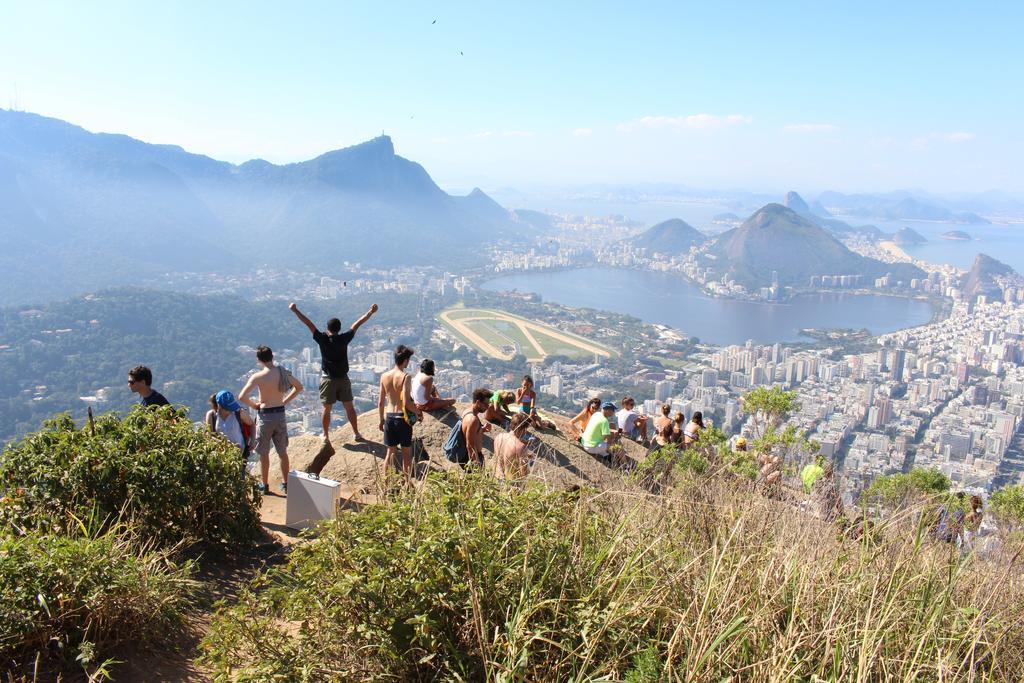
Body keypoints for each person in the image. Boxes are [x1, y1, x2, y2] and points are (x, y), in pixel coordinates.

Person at [289, 302, 378, 450]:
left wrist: (295, 310)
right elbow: (357, 324)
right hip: (343, 378)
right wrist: (370, 312)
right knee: (349, 408)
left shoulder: (322, 339)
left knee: (327, 409)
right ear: (339, 329)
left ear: (327, 328)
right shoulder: (344, 338)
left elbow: (308, 323)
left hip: (328, 379)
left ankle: (325, 436)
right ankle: (356, 433)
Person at [238, 346, 303, 494]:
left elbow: (242, 396)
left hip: (265, 415)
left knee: (264, 453)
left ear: (259, 360)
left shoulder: (258, 377)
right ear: (272, 357)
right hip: (280, 413)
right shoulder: (282, 372)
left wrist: (254, 405)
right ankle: (286, 484)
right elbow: (299, 387)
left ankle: (265, 485)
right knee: (282, 452)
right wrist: (285, 401)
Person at [377, 345, 422, 475]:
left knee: (390, 452)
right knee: (406, 454)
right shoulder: (405, 377)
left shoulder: (384, 376)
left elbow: (380, 402)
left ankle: (385, 482)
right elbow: (407, 403)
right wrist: (418, 413)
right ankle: (407, 483)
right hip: (402, 419)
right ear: (406, 360)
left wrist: (381, 420)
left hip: (389, 417)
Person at [209, 390, 254, 457]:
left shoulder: (239, 413)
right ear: (219, 406)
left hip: (241, 454)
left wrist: (252, 441)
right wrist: (225, 444)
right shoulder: (212, 415)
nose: (230, 410)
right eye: (227, 408)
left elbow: (252, 424)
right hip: (221, 456)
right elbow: (209, 435)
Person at [494, 412, 532, 480]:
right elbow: (524, 473)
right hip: (510, 483)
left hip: (497, 476)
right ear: (523, 428)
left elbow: (502, 455)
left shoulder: (498, 437)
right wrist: (530, 461)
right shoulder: (521, 446)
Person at [462, 388, 493, 466]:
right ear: (478, 402)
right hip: (474, 457)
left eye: (488, 404)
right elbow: (470, 445)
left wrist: (481, 429)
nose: (487, 407)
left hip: (471, 455)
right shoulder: (473, 420)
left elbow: (469, 432)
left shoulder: (467, 411)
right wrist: (477, 463)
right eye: (486, 404)